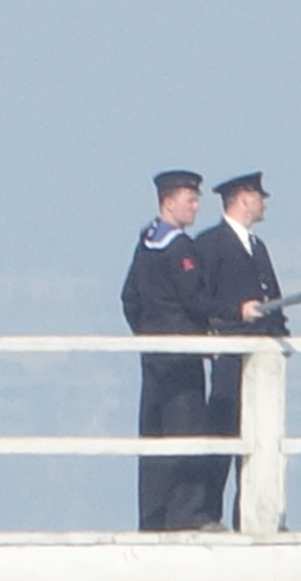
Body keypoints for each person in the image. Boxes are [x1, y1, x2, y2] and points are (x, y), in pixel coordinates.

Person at [119, 171, 259, 532]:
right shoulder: (178, 247)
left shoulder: (146, 241)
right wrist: (234, 312)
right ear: (169, 202)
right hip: (181, 351)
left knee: (155, 433)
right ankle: (186, 515)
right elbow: (194, 299)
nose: (197, 207)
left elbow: (129, 298)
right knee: (188, 431)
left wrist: (145, 332)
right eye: (190, 200)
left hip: (154, 352)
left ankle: (153, 517)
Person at [194, 171, 285, 528]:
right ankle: (208, 512)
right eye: (259, 195)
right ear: (244, 197)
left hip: (261, 356)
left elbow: (271, 299)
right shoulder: (211, 244)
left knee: (261, 432)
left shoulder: (257, 246)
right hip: (230, 350)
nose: (264, 202)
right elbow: (202, 298)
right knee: (224, 428)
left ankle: (254, 515)